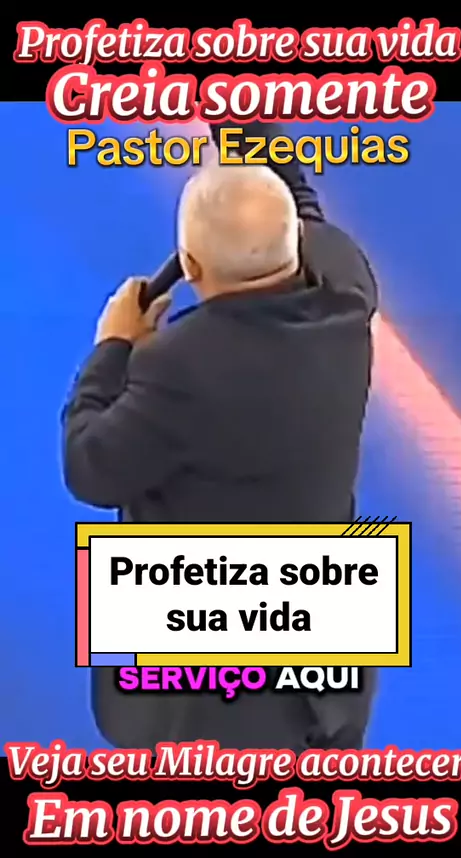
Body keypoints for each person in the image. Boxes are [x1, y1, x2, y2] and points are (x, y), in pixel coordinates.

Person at [62, 161, 378, 751]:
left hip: (213, 699)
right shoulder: (348, 293)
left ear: (191, 267)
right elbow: (302, 203)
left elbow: (90, 466)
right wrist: (245, 125)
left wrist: (112, 349)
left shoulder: (177, 365)